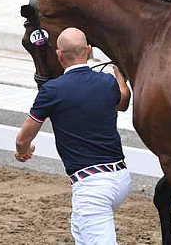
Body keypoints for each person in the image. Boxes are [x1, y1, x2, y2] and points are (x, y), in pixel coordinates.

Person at [15, 27, 132, 245]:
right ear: (88, 51)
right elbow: (123, 101)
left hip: (92, 186)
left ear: (59, 55)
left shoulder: (51, 91)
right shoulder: (106, 82)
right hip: (121, 178)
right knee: (82, 234)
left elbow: (23, 138)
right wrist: (119, 75)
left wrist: (23, 152)